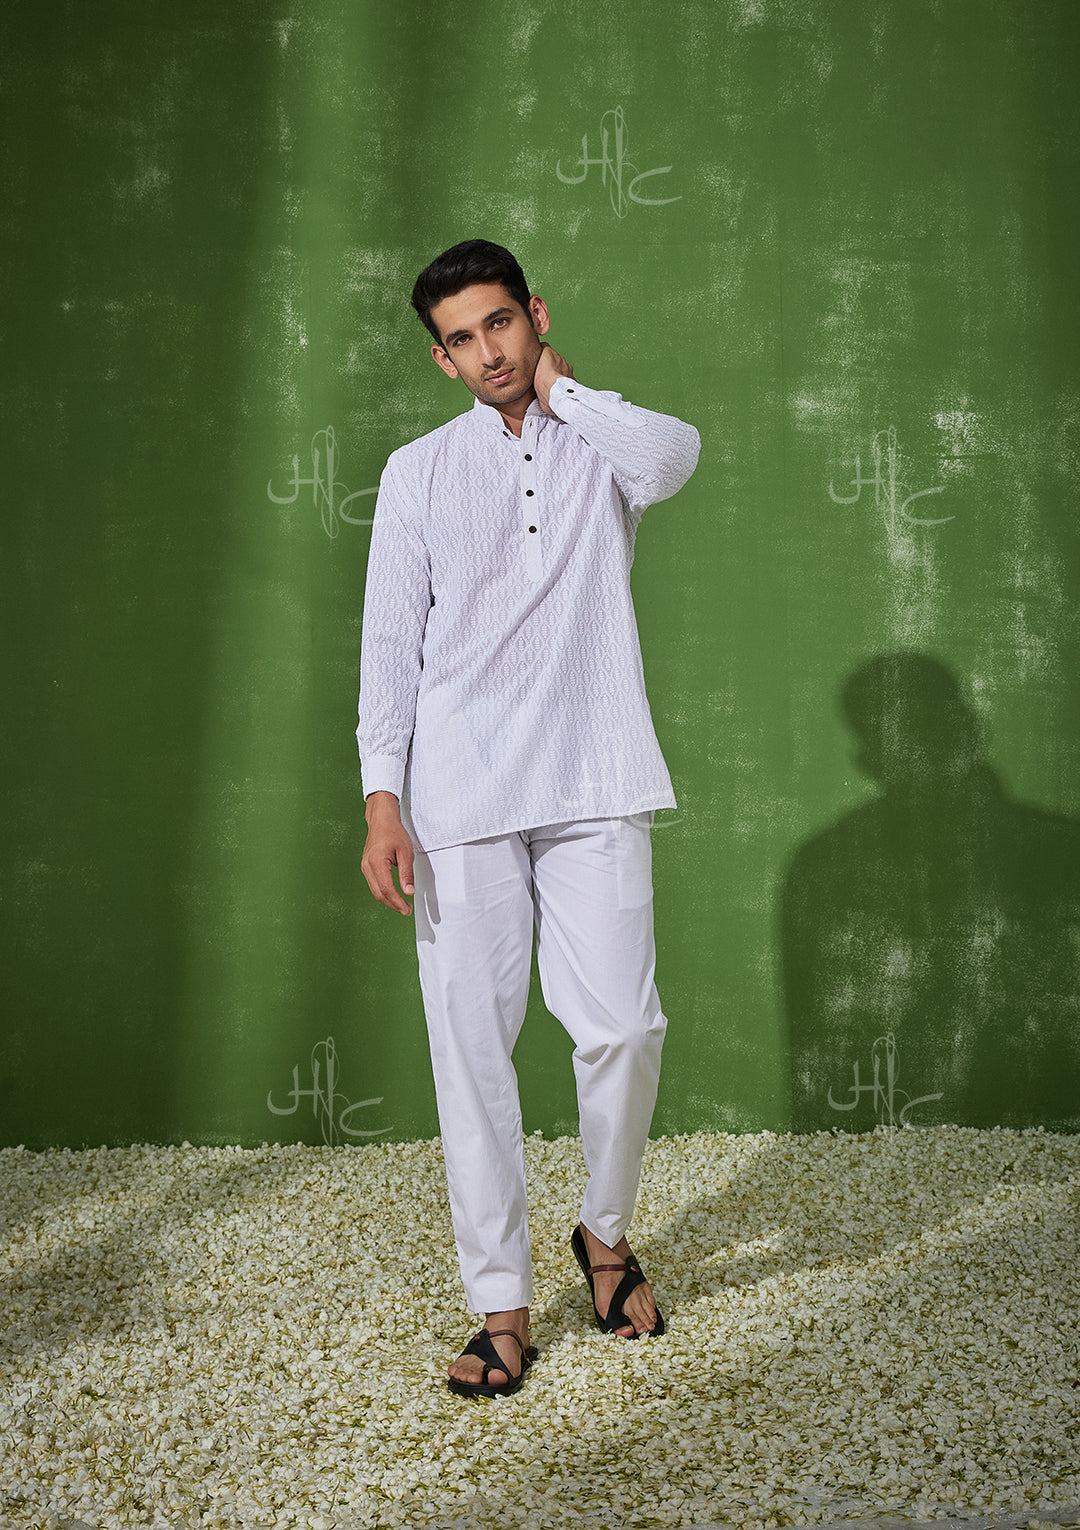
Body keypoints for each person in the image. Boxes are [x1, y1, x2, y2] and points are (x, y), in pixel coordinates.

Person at [357, 239, 700, 1397]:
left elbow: (678, 454)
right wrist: (384, 799)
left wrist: (564, 392)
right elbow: (390, 647)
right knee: (471, 1055)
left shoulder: (602, 444)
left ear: (534, 316)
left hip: (595, 772)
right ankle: (500, 1305)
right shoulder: (418, 472)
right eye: (461, 339)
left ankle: (604, 1232)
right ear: (442, 359)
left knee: (624, 1030)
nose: (486, 351)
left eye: (499, 323)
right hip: (460, 794)